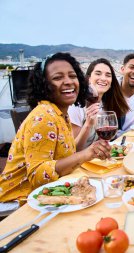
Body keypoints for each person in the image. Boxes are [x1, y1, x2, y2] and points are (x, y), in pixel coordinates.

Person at [0, 53, 111, 214]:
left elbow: (71, 153)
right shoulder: (43, 117)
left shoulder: (59, 113)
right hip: (17, 202)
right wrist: (88, 153)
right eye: (58, 77)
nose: (68, 81)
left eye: (72, 76)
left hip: (46, 196)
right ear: (44, 85)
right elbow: (38, 176)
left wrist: (90, 142)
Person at [68, 58, 129, 150]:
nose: (103, 78)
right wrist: (88, 124)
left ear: (111, 82)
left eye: (108, 75)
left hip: (96, 159)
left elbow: (104, 140)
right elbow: (74, 149)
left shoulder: (104, 104)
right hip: (79, 162)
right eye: (98, 73)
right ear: (88, 78)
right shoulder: (76, 106)